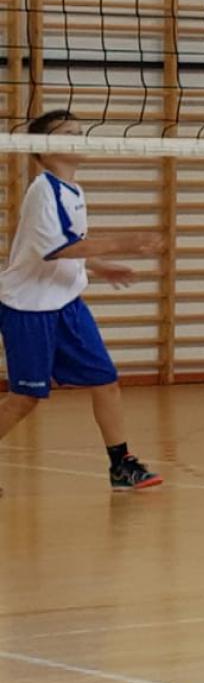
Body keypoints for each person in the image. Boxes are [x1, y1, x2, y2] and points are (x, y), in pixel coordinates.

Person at [0, 110, 166, 495]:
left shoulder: (73, 189)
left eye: (80, 131)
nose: (79, 137)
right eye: (68, 133)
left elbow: (68, 246)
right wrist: (126, 242)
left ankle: (121, 465)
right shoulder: (43, 191)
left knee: (106, 381)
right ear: (43, 148)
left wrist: (99, 266)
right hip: (29, 309)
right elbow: (56, 249)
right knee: (25, 398)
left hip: (67, 304)